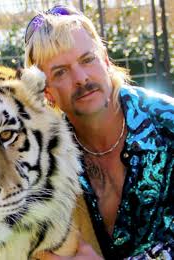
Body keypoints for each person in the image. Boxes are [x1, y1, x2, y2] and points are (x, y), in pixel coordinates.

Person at [24, 4, 174, 259]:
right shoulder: (48, 160)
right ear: (46, 92)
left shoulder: (167, 125)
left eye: (87, 59)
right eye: (61, 71)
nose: (81, 77)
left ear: (105, 59)